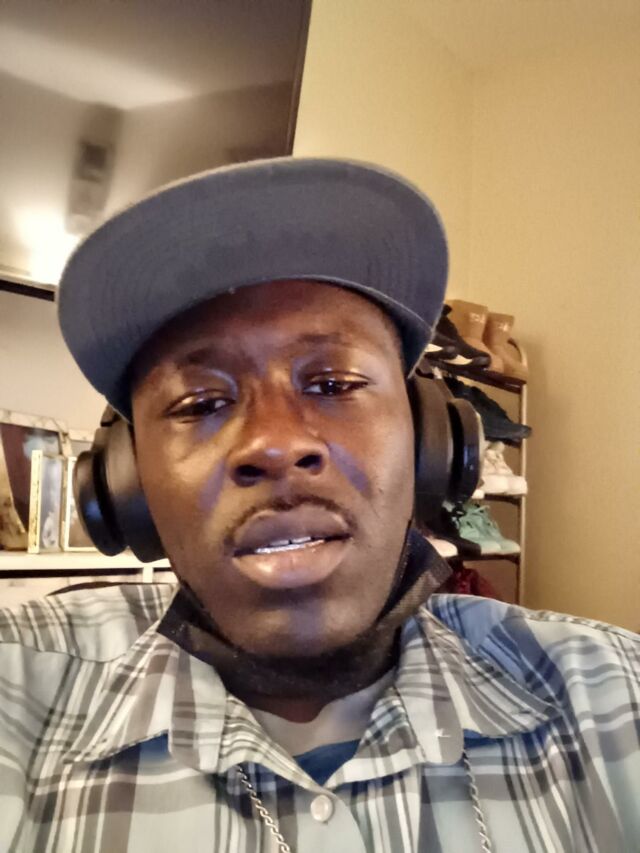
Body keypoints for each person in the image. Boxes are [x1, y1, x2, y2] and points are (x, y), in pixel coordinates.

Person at [0, 159, 637, 852]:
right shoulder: (19, 684)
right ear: (125, 485)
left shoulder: (614, 694)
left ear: (431, 443)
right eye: (203, 403)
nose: (275, 444)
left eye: (334, 384)